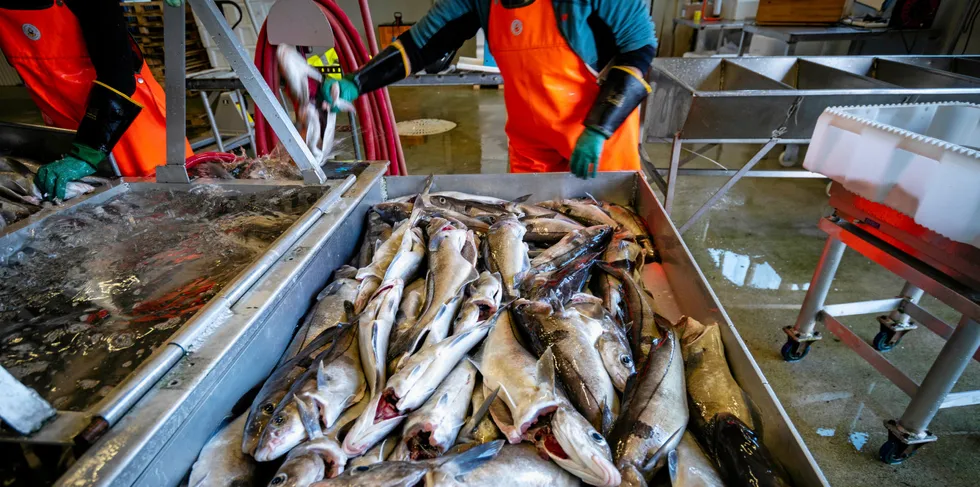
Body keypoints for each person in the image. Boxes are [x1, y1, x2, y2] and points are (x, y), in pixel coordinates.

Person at [320, 0, 656, 178]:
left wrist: (598, 129)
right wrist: (356, 81)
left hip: (599, 141)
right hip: (532, 143)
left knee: (610, 234)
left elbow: (639, 49)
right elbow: (420, 43)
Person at [0, 0, 190, 200]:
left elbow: (119, 77)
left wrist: (85, 155)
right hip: (69, 133)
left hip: (126, 123)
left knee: (167, 203)